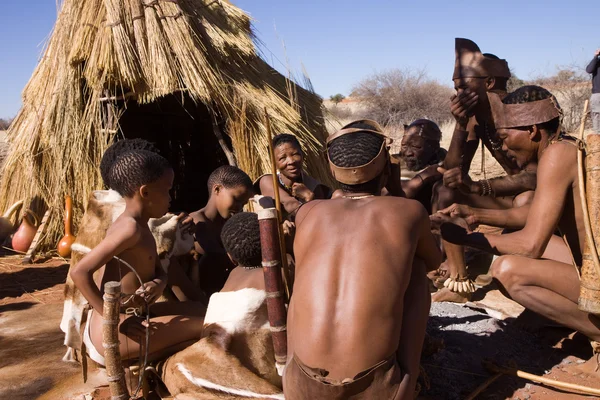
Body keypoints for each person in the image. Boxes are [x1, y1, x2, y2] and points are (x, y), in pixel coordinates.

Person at [438, 85, 600, 375]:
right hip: (590, 264)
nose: (504, 146)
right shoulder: (565, 146)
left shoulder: (555, 157)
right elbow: (531, 214)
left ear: (533, 130)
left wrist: (466, 239)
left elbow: (530, 246)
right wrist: (474, 212)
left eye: (505, 136)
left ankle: (597, 334)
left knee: (508, 271)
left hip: (596, 275)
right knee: (528, 243)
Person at [283, 121, 441, 399]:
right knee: (416, 269)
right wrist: (394, 189)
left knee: (306, 277)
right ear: (385, 165)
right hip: (373, 390)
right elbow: (433, 261)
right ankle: (407, 380)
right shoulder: (409, 211)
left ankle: (288, 372)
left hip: (302, 386)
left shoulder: (308, 213)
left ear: (332, 169)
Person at [70, 149, 205, 364]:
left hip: (136, 314)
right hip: (115, 332)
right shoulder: (129, 229)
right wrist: (114, 320)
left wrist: (159, 283)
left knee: (202, 310)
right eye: (167, 190)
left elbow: (159, 270)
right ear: (145, 192)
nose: (171, 198)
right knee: (211, 327)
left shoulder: (142, 225)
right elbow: (79, 272)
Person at [432, 38, 536, 302]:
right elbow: (454, 172)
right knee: (445, 191)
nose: (457, 95)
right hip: (509, 195)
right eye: (455, 88)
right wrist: (459, 124)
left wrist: (479, 186)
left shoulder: (520, 111)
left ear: (488, 83)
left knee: (526, 198)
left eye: (463, 86)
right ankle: (460, 284)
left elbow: (537, 177)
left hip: (540, 195)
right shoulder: (475, 117)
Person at [189, 165, 254, 297]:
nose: (240, 207)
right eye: (236, 200)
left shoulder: (233, 224)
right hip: (202, 300)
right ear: (217, 189)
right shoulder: (195, 223)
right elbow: (216, 257)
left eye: (243, 203)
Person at [257, 133, 332, 219]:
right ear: (274, 164)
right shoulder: (268, 181)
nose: (291, 161)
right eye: (282, 158)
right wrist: (309, 198)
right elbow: (289, 204)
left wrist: (309, 195)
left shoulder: (315, 187)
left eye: (295, 154)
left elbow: (320, 219)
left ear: (302, 155)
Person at [394, 119, 446, 212]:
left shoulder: (441, 162)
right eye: (404, 146)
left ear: (434, 147)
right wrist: (422, 178)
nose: (408, 153)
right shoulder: (393, 162)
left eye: (416, 147)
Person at [586, 48, 600, 133]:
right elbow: (589, 70)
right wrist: (595, 57)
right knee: (597, 117)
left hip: (597, 94)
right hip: (598, 94)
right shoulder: (597, 62)